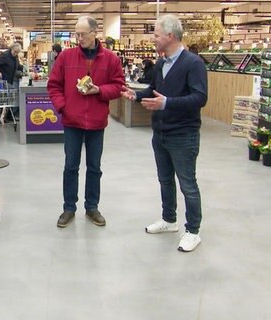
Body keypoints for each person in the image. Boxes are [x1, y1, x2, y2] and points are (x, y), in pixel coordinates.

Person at [121, 14, 208, 252]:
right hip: (160, 132)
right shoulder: (161, 63)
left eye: (156, 35)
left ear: (170, 36)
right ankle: (169, 220)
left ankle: (193, 231)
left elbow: (200, 98)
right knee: (164, 179)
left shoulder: (194, 64)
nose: (153, 39)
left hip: (183, 134)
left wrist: (167, 103)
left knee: (187, 183)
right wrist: (137, 95)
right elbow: (154, 89)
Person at [47, 16, 125, 228]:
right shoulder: (66, 57)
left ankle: (92, 207)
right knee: (70, 166)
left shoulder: (111, 59)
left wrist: (99, 90)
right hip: (72, 122)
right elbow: (53, 85)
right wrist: (63, 107)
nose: (79, 38)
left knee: (94, 167)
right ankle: (68, 208)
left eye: (83, 34)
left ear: (95, 33)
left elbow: (119, 86)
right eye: (76, 34)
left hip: (97, 123)